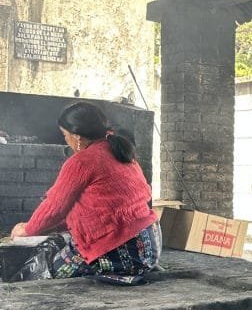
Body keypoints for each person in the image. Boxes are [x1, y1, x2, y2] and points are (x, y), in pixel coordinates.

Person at [11, 101, 160, 282]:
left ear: (78, 137)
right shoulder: (119, 150)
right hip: (148, 247)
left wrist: (27, 229)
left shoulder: (82, 161)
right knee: (59, 245)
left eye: (65, 136)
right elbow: (97, 207)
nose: (66, 140)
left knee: (40, 273)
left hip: (120, 252)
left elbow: (55, 207)